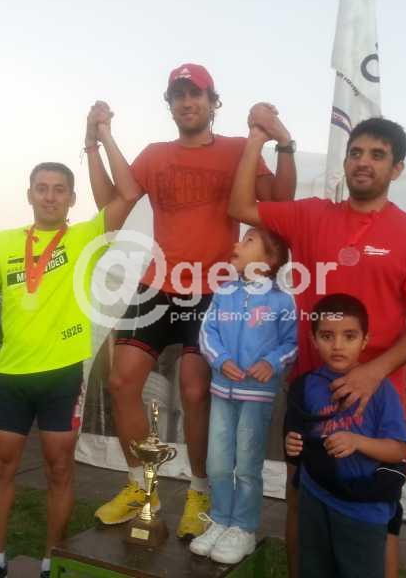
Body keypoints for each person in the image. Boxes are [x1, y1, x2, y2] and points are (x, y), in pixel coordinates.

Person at [229, 114, 406, 577]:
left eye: (377, 155)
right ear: (345, 163)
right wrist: (257, 138)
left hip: (375, 399)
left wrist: (372, 371)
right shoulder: (312, 215)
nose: (363, 162)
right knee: (300, 499)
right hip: (311, 394)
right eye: (356, 153)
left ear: (397, 169)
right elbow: (240, 205)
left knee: (379, 516)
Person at [87, 64, 296, 539]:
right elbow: (110, 204)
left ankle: (200, 490)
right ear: (170, 104)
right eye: (178, 95)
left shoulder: (237, 149)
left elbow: (278, 200)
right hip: (156, 285)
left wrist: (281, 143)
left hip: (212, 290)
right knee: (121, 381)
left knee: (195, 391)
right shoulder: (155, 154)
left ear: (212, 101)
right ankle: (141, 485)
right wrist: (95, 143)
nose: (187, 102)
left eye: (195, 94)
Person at [0, 116, 136, 578]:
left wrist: (98, 139)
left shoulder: (85, 237)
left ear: (72, 198)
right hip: (11, 374)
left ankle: (53, 561)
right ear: (29, 194)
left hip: (63, 375)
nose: (50, 196)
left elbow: (129, 194)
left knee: (59, 470)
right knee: (0, 466)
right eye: (42, 188)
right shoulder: (4, 242)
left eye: (59, 190)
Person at [189, 228, 297, 563]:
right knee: (218, 462)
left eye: (248, 241)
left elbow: (292, 342)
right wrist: (221, 360)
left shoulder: (282, 301)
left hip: (257, 397)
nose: (237, 244)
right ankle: (221, 520)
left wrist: (271, 363)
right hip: (222, 392)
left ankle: (244, 529)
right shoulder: (224, 293)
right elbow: (207, 333)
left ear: (270, 259)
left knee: (248, 465)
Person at [284, 294, 406, 578]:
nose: (338, 345)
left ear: (365, 340)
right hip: (315, 498)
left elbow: (399, 450)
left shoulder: (381, 389)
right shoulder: (306, 386)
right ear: (314, 340)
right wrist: (293, 444)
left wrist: (357, 442)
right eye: (327, 336)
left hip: (363, 508)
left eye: (349, 336)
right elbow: (300, 440)